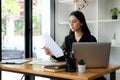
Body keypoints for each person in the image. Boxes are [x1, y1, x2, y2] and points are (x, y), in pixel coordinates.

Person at [44, 10, 106, 80]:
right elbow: (64, 57)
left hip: (86, 71)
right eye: (70, 22)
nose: (71, 24)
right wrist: (52, 53)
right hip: (72, 71)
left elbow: (95, 59)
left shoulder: (91, 39)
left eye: (74, 22)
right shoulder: (68, 39)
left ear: (81, 23)